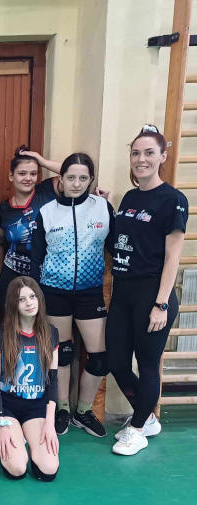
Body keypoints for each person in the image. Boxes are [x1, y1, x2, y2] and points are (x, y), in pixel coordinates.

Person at [107, 125, 188, 456]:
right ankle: (146, 417)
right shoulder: (129, 197)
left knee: (148, 363)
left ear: (163, 157)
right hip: (123, 292)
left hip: (153, 293)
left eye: (149, 153)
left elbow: (173, 257)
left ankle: (138, 428)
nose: (141, 159)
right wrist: (107, 205)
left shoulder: (173, 200)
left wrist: (161, 304)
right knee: (116, 361)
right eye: (136, 153)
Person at [30, 152, 112, 438]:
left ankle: (83, 411)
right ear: (60, 180)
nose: (77, 183)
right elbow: (36, 258)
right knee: (62, 353)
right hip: (55, 292)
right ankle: (62, 408)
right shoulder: (47, 212)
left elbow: (117, 247)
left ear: (91, 180)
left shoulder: (103, 207)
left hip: (90, 292)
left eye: (83, 178)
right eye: (71, 177)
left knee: (100, 357)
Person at [0, 277, 59, 481]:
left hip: (36, 407)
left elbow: (53, 381)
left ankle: (27, 440)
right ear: (13, 304)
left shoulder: (51, 332)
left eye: (32, 296)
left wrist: (50, 423)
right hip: (7, 406)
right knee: (17, 468)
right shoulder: (0, 335)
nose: (29, 303)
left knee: (48, 469)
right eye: (22, 299)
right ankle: (11, 439)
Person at [0, 147, 59, 310]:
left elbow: (73, 171)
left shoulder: (48, 191)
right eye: (22, 173)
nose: (28, 178)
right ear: (11, 176)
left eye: (33, 173)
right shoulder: (3, 209)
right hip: (12, 274)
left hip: (46, 275)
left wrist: (41, 160)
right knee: (11, 321)